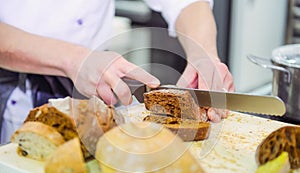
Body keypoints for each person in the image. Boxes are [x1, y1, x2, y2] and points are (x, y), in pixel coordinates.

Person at [0, 0, 235, 143]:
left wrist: (203, 53)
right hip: (18, 93)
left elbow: (185, 2)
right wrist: (75, 60)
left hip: (101, 90)